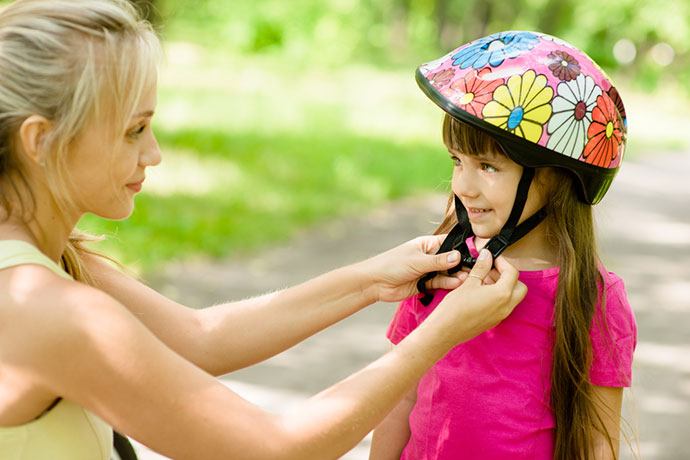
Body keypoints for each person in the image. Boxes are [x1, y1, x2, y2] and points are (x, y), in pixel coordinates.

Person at [0, 1, 529, 459]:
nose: (154, 153)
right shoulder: (47, 308)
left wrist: (371, 280)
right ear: (40, 141)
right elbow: (277, 446)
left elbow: (199, 340)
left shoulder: (50, 263)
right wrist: (439, 333)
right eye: (133, 130)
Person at [369, 31, 637, 460]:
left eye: (488, 167)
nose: (462, 186)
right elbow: (398, 395)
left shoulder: (591, 295)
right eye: (457, 161)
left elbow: (597, 440)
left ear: (556, 177)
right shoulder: (439, 266)